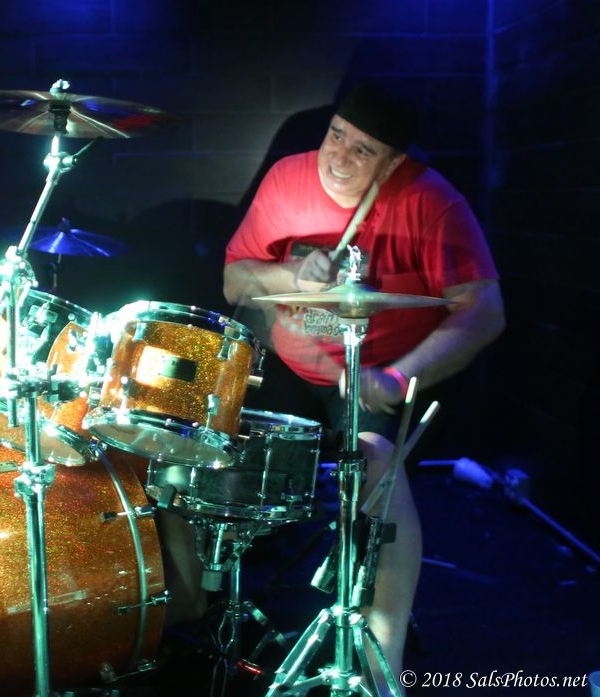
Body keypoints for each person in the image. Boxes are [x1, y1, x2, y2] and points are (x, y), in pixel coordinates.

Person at [222, 83, 505, 688]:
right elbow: (234, 281)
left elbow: (485, 313)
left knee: (378, 469)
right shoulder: (287, 179)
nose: (339, 157)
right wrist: (289, 274)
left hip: (374, 374)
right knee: (202, 432)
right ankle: (199, 599)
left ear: (394, 160)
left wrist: (400, 377)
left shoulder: (432, 202)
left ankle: (384, 657)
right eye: (336, 136)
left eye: (363, 150)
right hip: (287, 365)